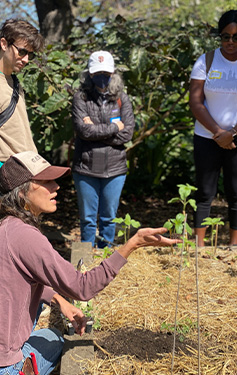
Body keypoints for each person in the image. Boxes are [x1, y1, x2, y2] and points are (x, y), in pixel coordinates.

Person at [0, 150, 180, 375]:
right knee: (55, 339)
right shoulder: (26, 237)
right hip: (5, 363)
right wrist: (132, 244)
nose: (56, 187)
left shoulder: (6, 226)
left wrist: (59, 301)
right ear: (23, 191)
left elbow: (13, 282)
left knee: (50, 334)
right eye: (46, 181)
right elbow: (82, 288)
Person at [189, 9, 237, 247]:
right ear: (219, 36)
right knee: (204, 192)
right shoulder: (206, 61)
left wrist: (232, 133)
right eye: (226, 36)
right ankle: (199, 247)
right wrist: (218, 133)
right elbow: (195, 101)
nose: (231, 42)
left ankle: (234, 248)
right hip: (206, 137)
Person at [72, 50, 135, 248]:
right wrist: (114, 128)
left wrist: (94, 133)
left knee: (109, 218)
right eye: (97, 73)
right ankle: (83, 263)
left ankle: (106, 262)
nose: (102, 78)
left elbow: (128, 134)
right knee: (87, 220)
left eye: (106, 74)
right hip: (86, 168)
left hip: (115, 169)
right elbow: (83, 132)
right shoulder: (81, 98)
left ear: (113, 73)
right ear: (89, 74)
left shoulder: (121, 99)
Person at [0, 18, 44, 167]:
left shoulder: (15, 82)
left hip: (27, 168)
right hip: (8, 173)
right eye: (22, 52)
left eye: (30, 55)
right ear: (4, 44)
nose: (25, 59)